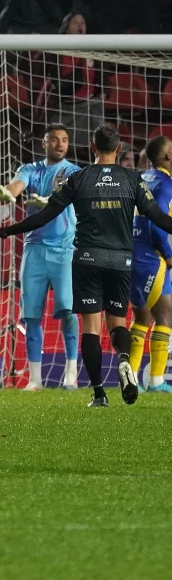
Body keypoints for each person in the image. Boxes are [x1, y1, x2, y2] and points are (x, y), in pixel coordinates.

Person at [0, 123, 172, 408]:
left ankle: (98, 393)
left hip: (87, 259)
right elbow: (158, 218)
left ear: (92, 148)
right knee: (117, 323)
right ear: (119, 149)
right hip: (121, 261)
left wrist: (4, 231)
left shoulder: (77, 178)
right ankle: (125, 362)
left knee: (91, 328)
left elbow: (44, 216)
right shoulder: (133, 179)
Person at [0, 123, 81, 391]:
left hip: (64, 251)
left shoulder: (73, 171)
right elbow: (17, 186)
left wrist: (48, 200)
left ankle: (70, 375)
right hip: (34, 250)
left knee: (69, 313)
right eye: (54, 140)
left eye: (64, 140)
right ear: (44, 143)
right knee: (32, 316)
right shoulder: (31, 169)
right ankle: (35, 380)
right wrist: (8, 192)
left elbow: (67, 195)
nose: (60, 144)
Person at [128, 135, 172, 394]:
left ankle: (131, 377)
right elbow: (155, 222)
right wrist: (167, 253)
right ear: (166, 156)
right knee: (165, 315)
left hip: (133, 253)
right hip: (151, 257)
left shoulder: (141, 179)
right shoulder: (166, 185)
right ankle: (155, 380)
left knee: (142, 317)